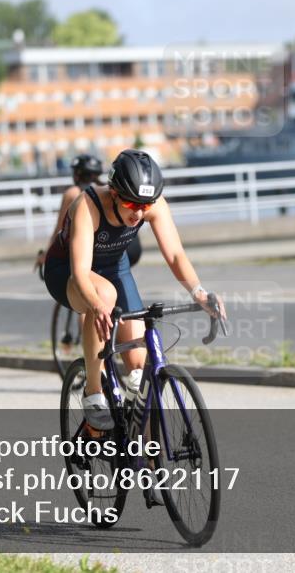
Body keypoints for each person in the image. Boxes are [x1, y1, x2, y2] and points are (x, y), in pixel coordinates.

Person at [44, 149, 225, 430]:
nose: (139, 213)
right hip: (66, 270)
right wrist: (96, 306)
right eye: (131, 204)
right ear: (114, 193)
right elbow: (81, 273)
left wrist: (199, 293)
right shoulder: (88, 205)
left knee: (140, 372)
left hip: (115, 268)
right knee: (104, 295)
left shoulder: (152, 205)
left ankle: (142, 445)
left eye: (145, 205)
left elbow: (175, 254)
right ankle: (94, 392)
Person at [36, 154, 141, 272]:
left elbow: (60, 228)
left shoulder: (74, 193)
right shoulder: (109, 190)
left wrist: (46, 254)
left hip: (100, 252)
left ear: (77, 174)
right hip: (129, 248)